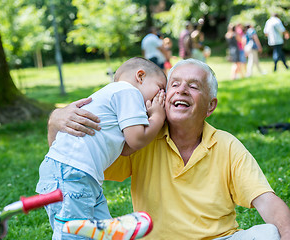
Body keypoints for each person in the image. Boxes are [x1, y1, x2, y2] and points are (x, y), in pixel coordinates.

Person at [47, 58, 290, 240]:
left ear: (210, 105)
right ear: (163, 96)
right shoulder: (137, 139)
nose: (182, 90)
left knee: (269, 233)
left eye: (193, 86)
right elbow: (72, 166)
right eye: (174, 84)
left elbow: (267, 202)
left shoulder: (226, 145)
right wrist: (55, 121)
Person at [36, 57, 167, 239]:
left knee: (103, 232)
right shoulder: (128, 91)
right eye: (160, 88)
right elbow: (137, 139)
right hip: (71, 173)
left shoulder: (116, 96)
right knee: (74, 233)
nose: (162, 95)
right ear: (140, 76)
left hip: (80, 176)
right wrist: (158, 117)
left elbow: (126, 149)